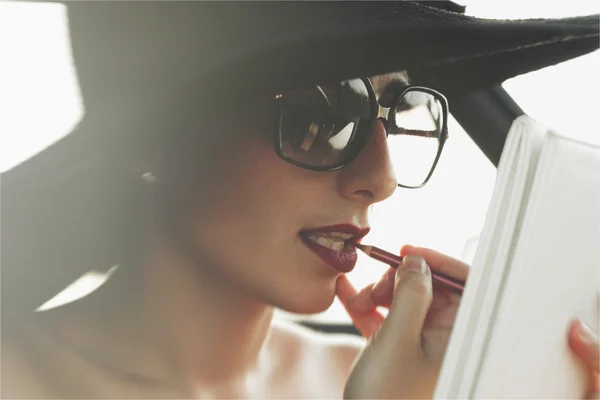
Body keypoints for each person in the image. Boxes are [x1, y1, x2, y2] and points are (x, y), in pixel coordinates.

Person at [1, 2, 598, 398]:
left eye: (392, 114)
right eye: (326, 112)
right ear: (155, 140)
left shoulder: (383, 382)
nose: (381, 179)